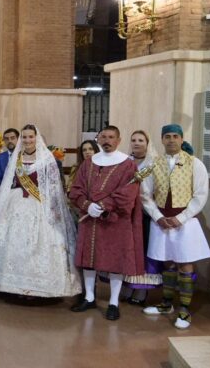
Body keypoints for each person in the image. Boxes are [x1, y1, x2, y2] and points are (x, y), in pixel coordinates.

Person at [0, 125, 82, 297]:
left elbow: (54, 187)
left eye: (30, 137)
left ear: (37, 137)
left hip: (40, 207)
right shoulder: (16, 158)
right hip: (16, 205)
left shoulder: (47, 158)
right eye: (24, 137)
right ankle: (15, 285)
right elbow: (7, 183)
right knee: (16, 243)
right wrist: (2, 207)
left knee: (39, 243)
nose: (27, 140)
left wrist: (55, 208)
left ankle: (36, 288)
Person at [69, 125, 143, 321]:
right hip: (89, 219)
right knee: (88, 258)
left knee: (115, 261)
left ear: (118, 141)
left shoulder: (128, 165)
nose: (107, 141)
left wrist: (102, 206)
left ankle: (113, 302)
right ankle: (89, 297)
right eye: (104, 137)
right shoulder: (89, 163)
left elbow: (128, 193)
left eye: (111, 137)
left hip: (115, 221)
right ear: (98, 140)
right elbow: (76, 188)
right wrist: (87, 205)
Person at [141, 124, 210, 329]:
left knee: (185, 264)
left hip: (185, 222)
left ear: (181, 139)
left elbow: (200, 195)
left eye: (175, 136)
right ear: (162, 140)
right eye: (167, 137)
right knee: (167, 264)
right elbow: (145, 194)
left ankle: (185, 310)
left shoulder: (194, 163)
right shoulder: (153, 164)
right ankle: (166, 304)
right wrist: (157, 216)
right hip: (161, 221)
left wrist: (181, 217)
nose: (171, 140)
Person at [122, 130, 162, 305]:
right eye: (133, 140)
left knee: (143, 250)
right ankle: (128, 284)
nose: (136, 143)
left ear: (147, 143)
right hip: (127, 213)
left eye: (140, 140)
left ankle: (141, 290)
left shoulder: (154, 164)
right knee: (128, 251)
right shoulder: (125, 162)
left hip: (145, 213)